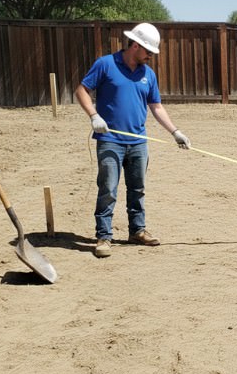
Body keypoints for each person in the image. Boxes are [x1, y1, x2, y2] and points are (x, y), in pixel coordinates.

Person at [75, 22, 191, 258]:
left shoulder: (148, 74)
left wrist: (175, 132)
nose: (150, 56)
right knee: (108, 189)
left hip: (138, 142)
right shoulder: (105, 64)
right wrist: (94, 116)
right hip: (110, 140)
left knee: (137, 188)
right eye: (148, 51)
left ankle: (137, 230)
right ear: (135, 45)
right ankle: (104, 236)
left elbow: (156, 106)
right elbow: (81, 90)